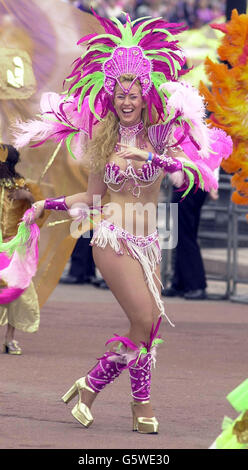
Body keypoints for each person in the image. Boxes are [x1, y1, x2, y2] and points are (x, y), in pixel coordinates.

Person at [14, 12, 232, 433]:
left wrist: (147, 157)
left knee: (146, 327)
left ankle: (92, 388)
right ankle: (140, 403)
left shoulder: (160, 133)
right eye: (120, 96)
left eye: (133, 95)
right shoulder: (102, 139)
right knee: (146, 318)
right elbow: (93, 198)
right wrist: (49, 205)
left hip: (150, 236)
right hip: (111, 236)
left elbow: (187, 172)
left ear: (145, 93)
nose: (126, 102)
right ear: (111, 97)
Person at [0, 144, 44, 354]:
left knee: (16, 291)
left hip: (12, 246)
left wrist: (29, 199)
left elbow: (39, 215)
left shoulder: (21, 185)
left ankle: (10, 338)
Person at [164, 185, 219, 300]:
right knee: (183, 235)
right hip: (195, 185)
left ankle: (196, 286)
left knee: (185, 236)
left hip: (188, 185)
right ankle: (180, 283)